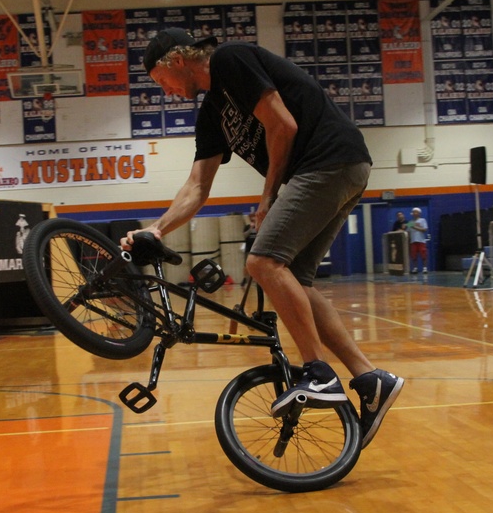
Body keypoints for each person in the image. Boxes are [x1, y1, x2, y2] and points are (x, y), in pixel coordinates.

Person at [122, 27, 402, 447]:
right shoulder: (211, 112)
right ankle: (369, 378)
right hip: (340, 168)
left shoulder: (230, 60)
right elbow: (197, 187)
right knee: (298, 284)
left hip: (327, 161)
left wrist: (268, 195)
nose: (164, 90)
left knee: (263, 261)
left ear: (175, 61)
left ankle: (319, 373)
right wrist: (157, 228)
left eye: (160, 81)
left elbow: (283, 125)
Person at [406, 207, 428, 274]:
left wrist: (414, 227)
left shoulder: (423, 220)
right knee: (414, 255)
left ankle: (424, 268)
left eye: (416, 212)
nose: (414, 213)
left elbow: (424, 229)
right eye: (413, 212)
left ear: (419, 213)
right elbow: (408, 232)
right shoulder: (410, 222)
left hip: (421, 240)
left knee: (423, 255)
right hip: (413, 241)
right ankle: (415, 268)